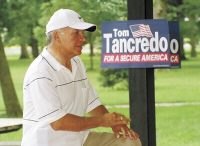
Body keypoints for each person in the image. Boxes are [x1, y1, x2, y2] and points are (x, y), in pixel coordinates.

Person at [21, 8, 142, 146]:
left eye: (83, 33)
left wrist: (115, 124)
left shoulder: (76, 62)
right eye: (76, 33)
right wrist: (103, 121)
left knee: (129, 142)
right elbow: (58, 122)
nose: (83, 38)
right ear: (56, 36)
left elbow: (93, 103)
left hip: (79, 140)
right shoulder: (40, 72)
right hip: (48, 143)